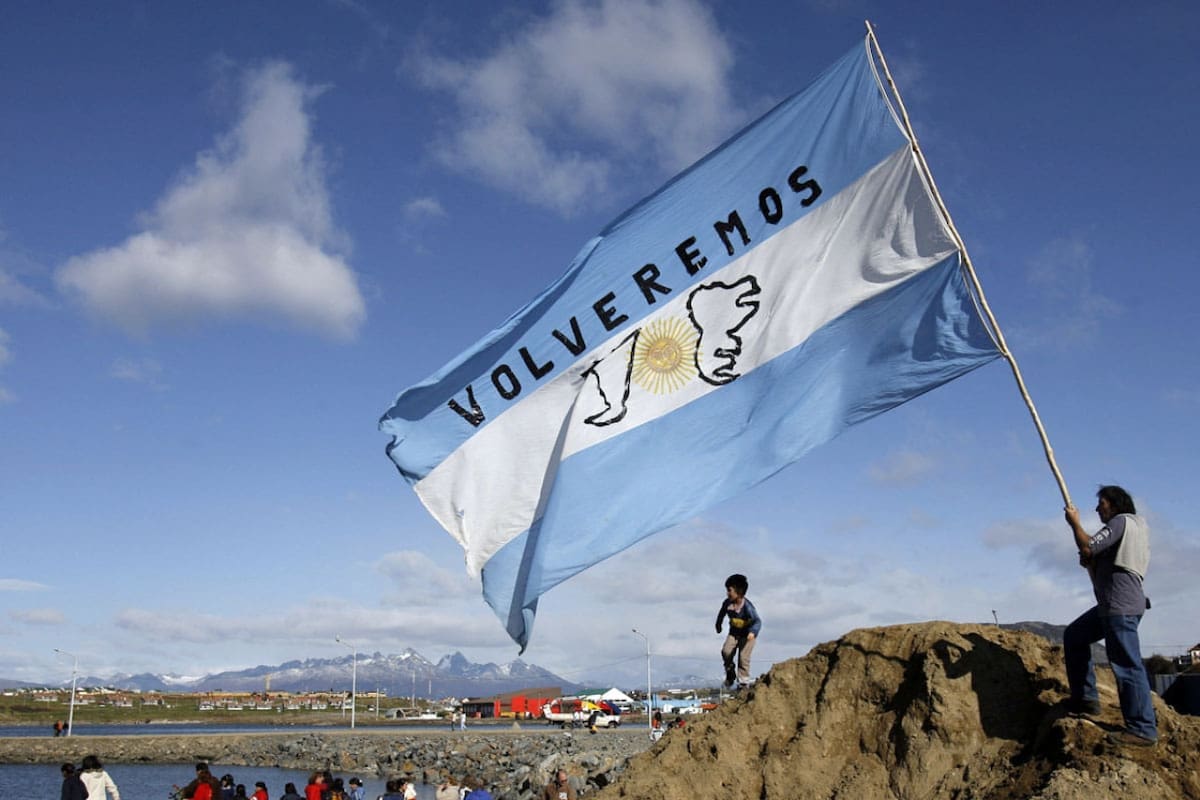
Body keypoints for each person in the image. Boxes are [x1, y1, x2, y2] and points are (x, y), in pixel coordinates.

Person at [1063, 485, 1158, 747]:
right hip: (1116, 605)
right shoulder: (1137, 526)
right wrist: (1091, 560)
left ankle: (1142, 729)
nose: (1097, 508)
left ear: (1115, 505)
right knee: (1075, 636)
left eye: (1101, 503)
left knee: (1127, 666)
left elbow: (1089, 546)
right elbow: (1096, 555)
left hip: (1120, 607)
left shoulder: (1120, 522)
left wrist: (1074, 523)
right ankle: (1086, 699)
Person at [715, 572, 761, 689]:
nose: (727, 593)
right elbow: (721, 614)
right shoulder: (727, 603)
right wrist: (718, 625)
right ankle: (730, 673)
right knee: (726, 651)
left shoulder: (748, 607)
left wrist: (753, 632)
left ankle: (743, 682)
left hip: (747, 636)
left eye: (730, 590)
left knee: (743, 658)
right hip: (734, 633)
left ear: (739, 592)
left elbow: (757, 621)